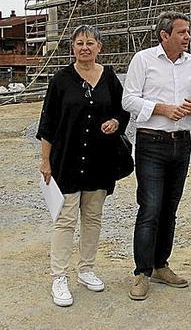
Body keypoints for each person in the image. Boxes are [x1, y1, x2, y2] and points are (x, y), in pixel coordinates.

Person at [36, 25, 130, 307]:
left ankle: (86, 269)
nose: (85, 47)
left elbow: (123, 110)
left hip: (100, 161)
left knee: (93, 218)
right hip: (67, 160)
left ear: (99, 47)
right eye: (79, 43)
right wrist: (45, 160)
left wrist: (115, 122)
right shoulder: (61, 79)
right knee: (64, 220)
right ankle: (59, 276)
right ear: (72, 48)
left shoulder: (110, 77)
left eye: (90, 43)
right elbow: (48, 123)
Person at [121, 11, 191, 301]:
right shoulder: (143, 60)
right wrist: (163, 109)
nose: (187, 37)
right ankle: (141, 273)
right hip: (151, 144)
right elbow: (128, 99)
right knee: (150, 208)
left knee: (170, 208)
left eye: (188, 32)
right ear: (164, 35)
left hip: (182, 143)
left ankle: (161, 265)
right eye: (182, 32)